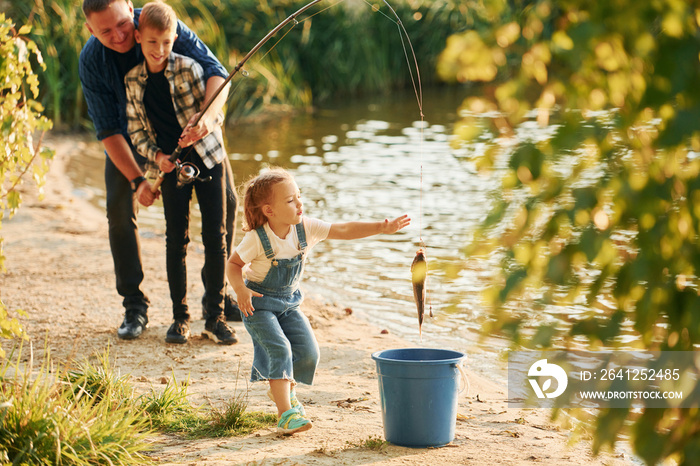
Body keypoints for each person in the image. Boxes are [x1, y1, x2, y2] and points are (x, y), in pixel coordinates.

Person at [79, 0, 241, 342]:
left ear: (131, 10)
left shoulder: (159, 24)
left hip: (189, 134)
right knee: (120, 211)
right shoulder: (92, 60)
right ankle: (134, 304)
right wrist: (139, 180)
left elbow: (217, 74)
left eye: (123, 24)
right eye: (105, 31)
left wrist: (208, 120)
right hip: (134, 140)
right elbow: (109, 130)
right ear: (90, 30)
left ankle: (218, 294)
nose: (120, 35)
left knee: (229, 201)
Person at [226, 168, 411, 434]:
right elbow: (233, 264)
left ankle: (285, 391)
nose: (299, 203)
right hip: (258, 305)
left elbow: (344, 229)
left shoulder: (306, 228)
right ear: (269, 210)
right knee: (279, 349)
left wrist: (382, 228)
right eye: (290, 200)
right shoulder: (257, 238)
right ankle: (285, 414)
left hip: (289, 304)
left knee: (309, 351)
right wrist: (240, 289)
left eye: (299, 196)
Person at [124, 0, 236, 345]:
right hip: (171, 167)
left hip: (208, 159)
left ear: (176, 38)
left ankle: (215, 317)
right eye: (152, 42)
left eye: (167, 42)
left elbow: (215, 111)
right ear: (139, 37)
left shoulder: (190, 68)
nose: (160, 50)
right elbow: (136, 132)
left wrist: (202, 122)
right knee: (177, 240)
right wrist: (157, 157)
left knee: (215, 238)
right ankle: (180, 317)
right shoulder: (133, 81)